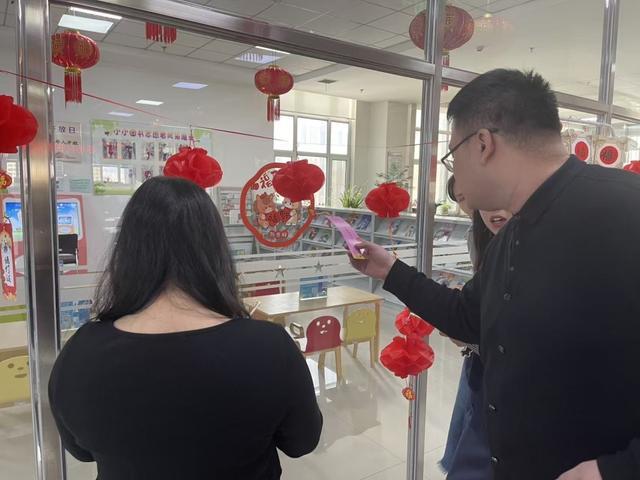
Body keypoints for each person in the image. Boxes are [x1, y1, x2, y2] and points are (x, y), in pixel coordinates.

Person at [350, 69, 640, 480]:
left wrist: (618, 469)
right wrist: (388, 270)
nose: (455, 174)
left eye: (453, 155)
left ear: (483, 144)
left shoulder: (626, 210)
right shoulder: (513, 233)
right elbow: (468, 317)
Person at [48, 176, 322, 480]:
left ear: (128, 251)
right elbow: (302, 441)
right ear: (215, 250)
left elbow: (81, 450)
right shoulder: (269, 347)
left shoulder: (82, 351)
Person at [440, 176, 512, 480]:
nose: (469, 204)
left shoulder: (529, 246)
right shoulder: (480, 234)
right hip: (480, 361)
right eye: (461, 199)